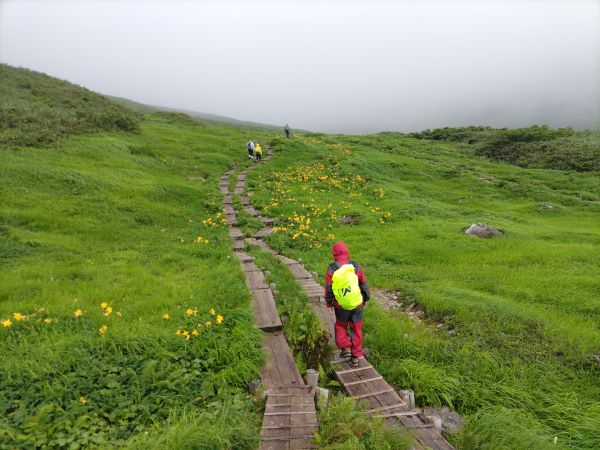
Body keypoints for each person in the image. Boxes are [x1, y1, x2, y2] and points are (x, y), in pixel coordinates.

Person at [325, 242, 370, 367]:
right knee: (356, 328)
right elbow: (363, 283)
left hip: (341, 305)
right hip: (357, 303)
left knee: (340, 325)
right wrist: (365, 298)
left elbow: (329, 288)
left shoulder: (332, 268)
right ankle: (355, 357)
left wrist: (329, 303)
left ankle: (345, 349)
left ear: (334, 254)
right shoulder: (355, 266)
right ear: (347, 252)